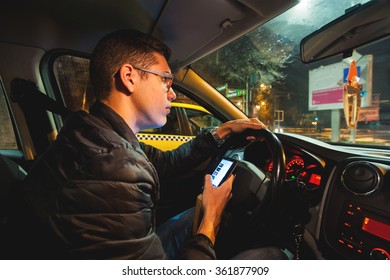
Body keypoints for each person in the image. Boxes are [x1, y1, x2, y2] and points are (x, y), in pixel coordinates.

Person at [5, 29, 283, 260]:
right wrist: (211, 219)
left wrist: (222, 131)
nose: (172, 93)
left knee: (189, 218)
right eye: (165, 80)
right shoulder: (116, 167)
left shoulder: (91, 132)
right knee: (272, 257)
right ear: (129, 77)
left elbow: (166, 163)